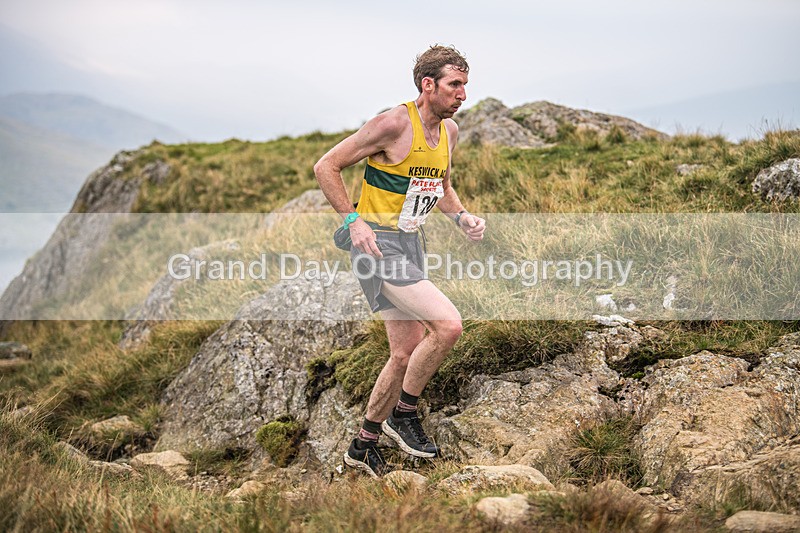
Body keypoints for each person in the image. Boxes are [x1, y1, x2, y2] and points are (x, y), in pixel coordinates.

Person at [313, 45, 486, 478]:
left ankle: (363, 443)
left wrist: (462, 216)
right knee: (447, 325)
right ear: (428, 85)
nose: (463, 94)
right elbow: (326, 166)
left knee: (404, 353)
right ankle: (403, 415)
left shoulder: (450, 133)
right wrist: (353, 221)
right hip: (376, 248)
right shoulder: (392, 124)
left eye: (465, 85)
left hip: (410, 243)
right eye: (454, 85)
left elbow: (440, 187)